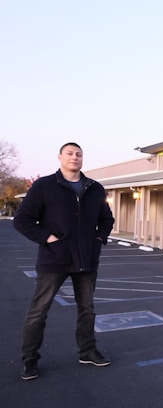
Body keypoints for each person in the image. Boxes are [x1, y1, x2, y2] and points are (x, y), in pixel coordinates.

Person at [13, 142, 115, 380]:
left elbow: (106, 219)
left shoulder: (95, 188)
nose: (75, 157)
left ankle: (88, 351)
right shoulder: (44, 186)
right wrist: (48, 238)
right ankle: (30, 358)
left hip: (86, 261)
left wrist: (99, 238)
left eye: (79, 154)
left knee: (87, 309)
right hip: (54, 260)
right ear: (59, 157)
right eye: (69, 153)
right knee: (38, 311)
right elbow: (22, 220)